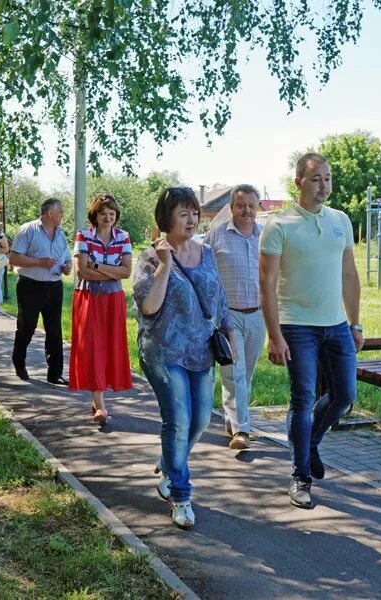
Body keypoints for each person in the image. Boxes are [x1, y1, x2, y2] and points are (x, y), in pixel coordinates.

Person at [259, 152, 364, 510]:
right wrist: (275, 335)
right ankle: (300, 475)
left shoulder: (341, 221)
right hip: (297, 325)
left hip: (335, 325)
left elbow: (349, 275)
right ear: (298, 182)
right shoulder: (279, 225)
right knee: (303, 398)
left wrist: (355, 322)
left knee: (345, 395)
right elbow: (267, 284)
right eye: (316, 178)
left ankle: (312, 441)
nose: (324, 185)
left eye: (328, 178)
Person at [133, 187, 235, 529]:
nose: (192, 220)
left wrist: (230, 334)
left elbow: (218, 299)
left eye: (194, 213)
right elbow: (148, 306)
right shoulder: (150, 258)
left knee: (201, 419)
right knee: (177, 420)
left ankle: (168, 460)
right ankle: (180, 495)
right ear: (167, 219)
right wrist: (164, 266)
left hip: (200, 351)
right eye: (183, 213)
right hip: (163, 352)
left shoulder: (205, 253)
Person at [204, 184, 266, 450]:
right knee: (234, 373)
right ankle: (243, 431)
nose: (246, 211)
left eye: (251, 206)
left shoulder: (266, 237)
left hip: (258, 316)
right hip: (227, 318)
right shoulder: (215, 236)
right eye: (241, 205)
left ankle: (233, 419)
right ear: (231, 207)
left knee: (245, 373)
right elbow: (203, 274)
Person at [69, 194, 133, 424]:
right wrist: (109, 271)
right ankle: (101, 406)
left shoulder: (123, 237)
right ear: (95, 216)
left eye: (112, 214)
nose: (107, 218)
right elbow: (82, 271)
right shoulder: (83, 235)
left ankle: (97, 397)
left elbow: (126, 272)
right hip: (89, 297)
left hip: (113, 299)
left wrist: (96, 265)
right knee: (93, 346)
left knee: (109, 347)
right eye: (103, 214)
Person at [9, 198, 72, 385]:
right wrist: (39, 262)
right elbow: (14, 257)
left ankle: (55, 373)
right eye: (60, 211)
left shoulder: (61, 234)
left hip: (54, 286)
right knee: (27, 327)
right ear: (50, 213)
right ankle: (19, 362)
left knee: (54, 330)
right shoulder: (28, 230)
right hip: (30, 286)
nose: (62, 215)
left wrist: (67, 267)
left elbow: (66, 258)